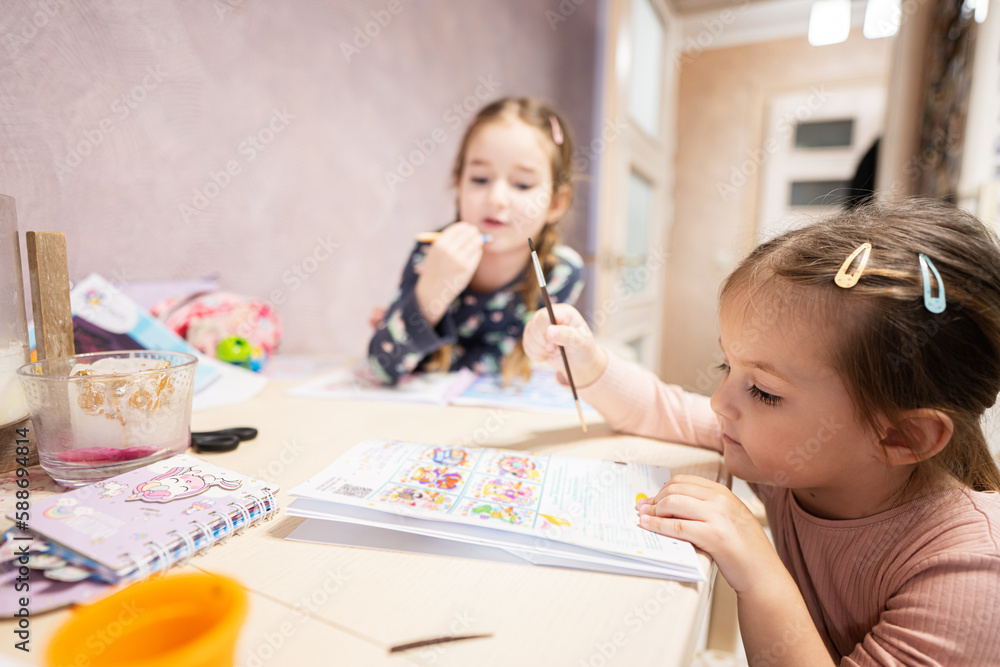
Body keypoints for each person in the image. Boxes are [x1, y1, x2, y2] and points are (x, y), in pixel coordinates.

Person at [523, 200, 1000, 665]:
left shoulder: (974, 576)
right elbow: (662, 410)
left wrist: (758, 568)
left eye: (765, 392)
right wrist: (587, 363)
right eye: (726, 365)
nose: (718, 402)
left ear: (902, 437)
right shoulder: (802, 460)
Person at [367, 97, 584, 385]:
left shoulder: (560, 271)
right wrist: (429, 297)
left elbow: (527, 365)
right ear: (459, 184)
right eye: (480, 179)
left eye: (522, 184)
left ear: (556, 203)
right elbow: (382, 367)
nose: (496, 199)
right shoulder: (430, 253)